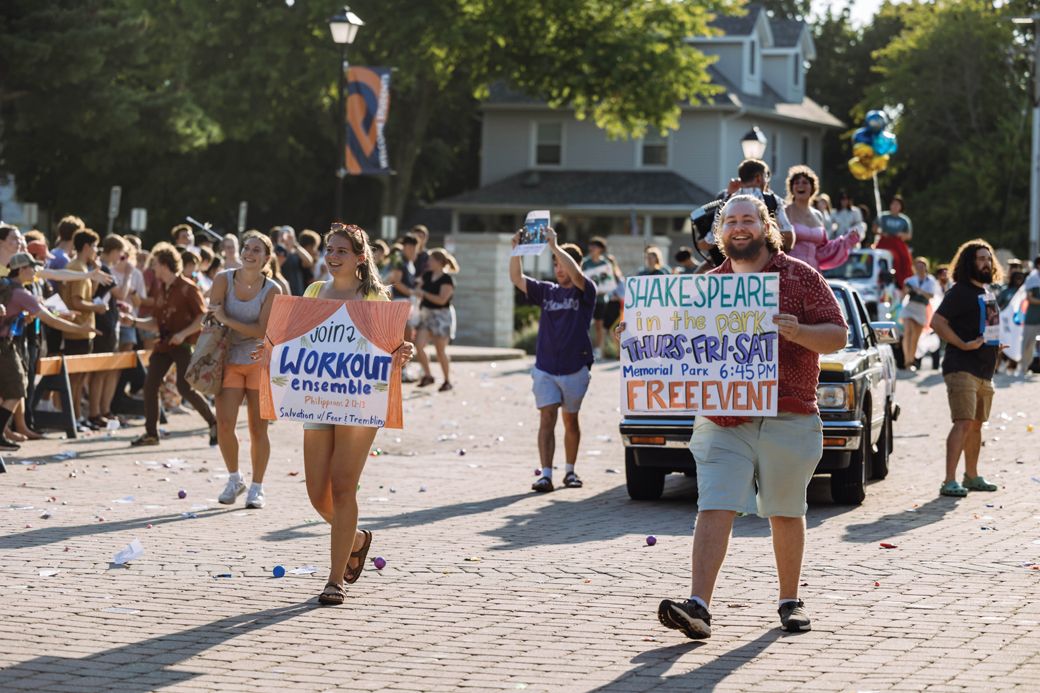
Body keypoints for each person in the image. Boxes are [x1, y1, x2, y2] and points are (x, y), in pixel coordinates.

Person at [656, 194, 847, 639]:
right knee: (715, 503)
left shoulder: (801, 277)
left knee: (784, 509)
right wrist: (644, 334)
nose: (739, 228)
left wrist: (799, 331)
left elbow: (836, 335)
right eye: (731, 221)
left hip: (788, 414)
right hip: (724, 419)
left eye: (748, 220)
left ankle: (789, 601)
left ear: (765, 227)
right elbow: (678, 342)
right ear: (720, 232)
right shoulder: (705, 286)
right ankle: (698, 606)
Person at [288, 223, 413, 605]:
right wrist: (273, 350)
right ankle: (356, 538)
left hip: (358, 401)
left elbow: (388, 346)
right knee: (316, 493)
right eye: (329, 249)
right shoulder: (313, 292)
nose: (332, 256)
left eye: (341, 250)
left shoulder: (374, 296)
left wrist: (400, 352)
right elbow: (295, 338)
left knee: (343, 487)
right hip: (316, 397)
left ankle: (334, 579)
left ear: (360, 258)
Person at [510, 227, 596, 492]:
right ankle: (545, 474)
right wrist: (516, 250)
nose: (559, 268)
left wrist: (555, 246)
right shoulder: (546, 291)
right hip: (545, 368)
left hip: (574, 368)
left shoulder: (585, 291)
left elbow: (578, 277)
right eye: (555, 264)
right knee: (546, 418)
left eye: (563, 263)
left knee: (571, 420)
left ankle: (570, 472)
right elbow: (517, 278)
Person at [210, 232, 282, 509]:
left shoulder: (272, 289)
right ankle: (234, 478)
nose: (249, 253)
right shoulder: (222, 279)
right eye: (247, 248)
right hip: (226, 359)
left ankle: (257, 487)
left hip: (257, 360)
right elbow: (211, 316)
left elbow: (262, 330)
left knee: (257, 429)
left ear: (266, 258)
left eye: (257, 250)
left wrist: (226, 318)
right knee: (224, 425)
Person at [929, 239, 1005, 497]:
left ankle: (971, 476)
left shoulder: (986, 292)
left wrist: (995, 345)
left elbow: (983, 327)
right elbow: (937, 322)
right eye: (980, 258)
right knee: (962, 422)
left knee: (976, 425)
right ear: (969, 262)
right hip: (961, 367)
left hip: (985, 369)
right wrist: (962, 343)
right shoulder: (960, 291)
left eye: (988, 258)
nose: (986, 263)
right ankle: (949, 480)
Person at [0, 253, 98, 449]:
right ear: (21, 270)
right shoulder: (21, 293)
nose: (35, 271)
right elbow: (51, 320)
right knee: (17, 389)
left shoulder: (6, 286)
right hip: (5, 346)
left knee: (11, 390)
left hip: (7, 343)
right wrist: (81, 329)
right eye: (32, 267)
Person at [124, 242, 218, 447]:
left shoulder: (188, 288)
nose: (153, 268)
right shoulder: (161, 289)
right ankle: (151, 434)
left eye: (155, 264)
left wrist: (183, 334)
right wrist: (133, 321)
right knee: (150, 385)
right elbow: (155, 322)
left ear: (165, 265)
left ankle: (214, 423)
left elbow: (203, 315)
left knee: (185, 388)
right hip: (165, 345)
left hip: (183, 345)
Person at [59, 229, 104, 429]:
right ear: (86, 247)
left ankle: (78, 417)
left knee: (80, 379)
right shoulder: (76, 267)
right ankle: (74, 417)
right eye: (94, 246)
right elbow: (77, 302)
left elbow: (87, 295)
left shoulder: (84, 267)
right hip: (76, 330)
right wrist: (97, 307)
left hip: (84, 330)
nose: (96, 250)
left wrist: (94, 276)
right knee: (75, 380)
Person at [784, 166, 859, 271]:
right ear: (791, 188)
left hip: (813, 273)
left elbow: (823, 250)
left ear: (812, 188)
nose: (800, 185)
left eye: (805, 182)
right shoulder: (784, 212)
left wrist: (846, 240)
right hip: (790, 271)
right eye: (796, 183)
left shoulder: (818, 215)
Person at [414, 248, 459, 391]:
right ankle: (428, 375)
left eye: (431, 260)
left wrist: (424, 293)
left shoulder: (447, 279)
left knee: (440, 351)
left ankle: (447, 380)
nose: (428, 262)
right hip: (426, 314)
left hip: (442, 316)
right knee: (419, 345)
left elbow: (441, 300)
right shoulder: (427, 275)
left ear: (439, 262)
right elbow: (417, 289)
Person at [582, 237, 622, 359]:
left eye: (595, 246)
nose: (592, 248)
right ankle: (584, 348)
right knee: (584, 325)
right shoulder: (585, 263)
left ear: (600, 249)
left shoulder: (606, 264)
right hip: (587, 298)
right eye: (591, 246)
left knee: (599, 324)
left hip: (600, 299)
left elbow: (611, 282)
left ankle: (598, 349)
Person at [901, 257, 939, 372]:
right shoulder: (910, 280)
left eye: (922, 266)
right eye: (917, 266)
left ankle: (911, 360)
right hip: (910, 308)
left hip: (921, 310)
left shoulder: (931, 281)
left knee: (915, 337)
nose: (920, 268)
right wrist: (907, 291)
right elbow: (903, 295)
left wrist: (920, 291)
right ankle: (906, 360)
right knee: (908, 332)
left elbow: (931, 296)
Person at [873, 196, 914, 288]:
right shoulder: (883, 216)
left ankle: (902, 282)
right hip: (884, 242)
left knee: (904, 259)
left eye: (897, 204)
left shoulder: (904, 220)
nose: (895, 206)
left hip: (897, 243)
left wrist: (901, 234)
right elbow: (874, 228)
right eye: (893, 204)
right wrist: (882, 233)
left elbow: (909, 236)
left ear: (901, 207)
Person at [1018, 256, 1040, 378]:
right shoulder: (1032, 279)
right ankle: (1024, 368)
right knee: (1028, 345)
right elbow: (1029, 298)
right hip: (1032, 318)